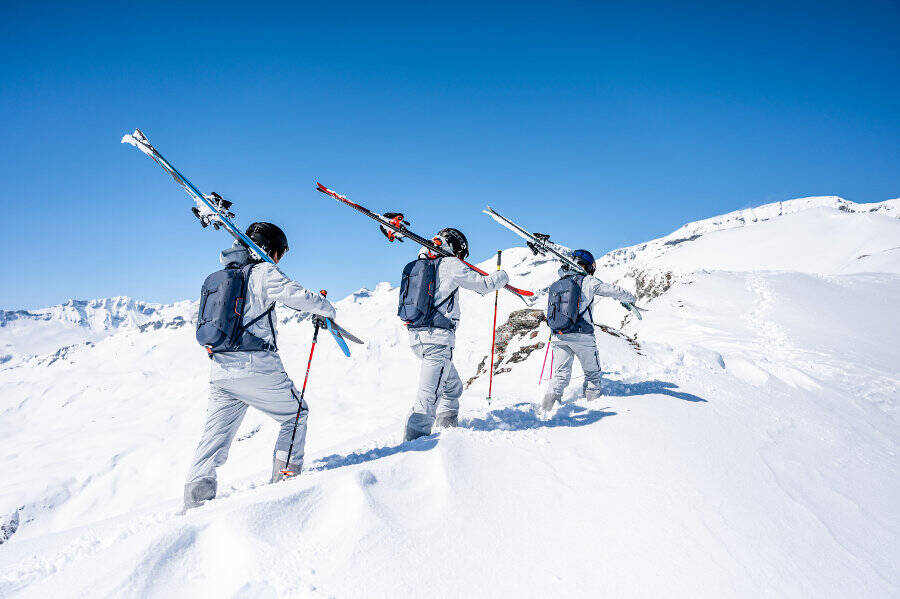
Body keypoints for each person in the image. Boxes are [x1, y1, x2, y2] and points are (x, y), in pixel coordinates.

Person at [183, 222, 336, 510]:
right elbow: (298, 296)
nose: (279, 260)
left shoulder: (221, 277)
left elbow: (197, 315)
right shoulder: (265, 272)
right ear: (271, 250)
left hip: (220, 369)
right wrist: (326, 308)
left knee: (214, 436)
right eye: (280, 254)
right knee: (296, 414)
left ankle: (194, 501)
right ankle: (285, 486)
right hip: (256, 364)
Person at [399, 228, 509, 441]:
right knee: (427, 399)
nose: (461, 258)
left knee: (452, 386)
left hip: (418, 338)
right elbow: (483, 285)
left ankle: (449, 429)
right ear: (457, 247)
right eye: (462, 253)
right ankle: (411, 448)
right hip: (437, 340)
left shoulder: (422, 264)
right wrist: (502, 276)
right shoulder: (450, 264)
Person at [541, 249, 636, 412]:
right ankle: (594, 408)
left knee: (559, 376)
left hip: (558, 335)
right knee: (592, 374)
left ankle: (546, 409)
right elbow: (612, 290)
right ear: (589, 266)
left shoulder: (558, 283)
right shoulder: (588, 281)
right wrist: (631, 299)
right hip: (582, 335)